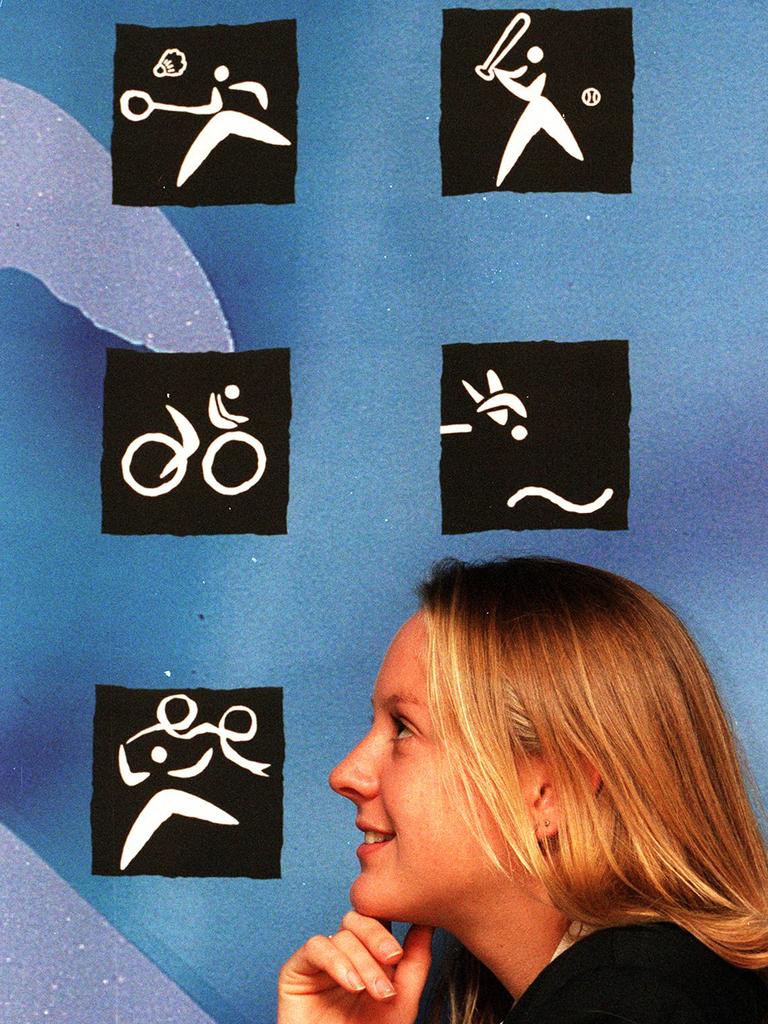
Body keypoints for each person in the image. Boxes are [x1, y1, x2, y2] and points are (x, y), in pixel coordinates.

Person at [278, 557, 768, 1023]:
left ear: (550, 790)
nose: (345, 774)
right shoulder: (643, 993)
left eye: (404, 729)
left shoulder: (620, 1008)